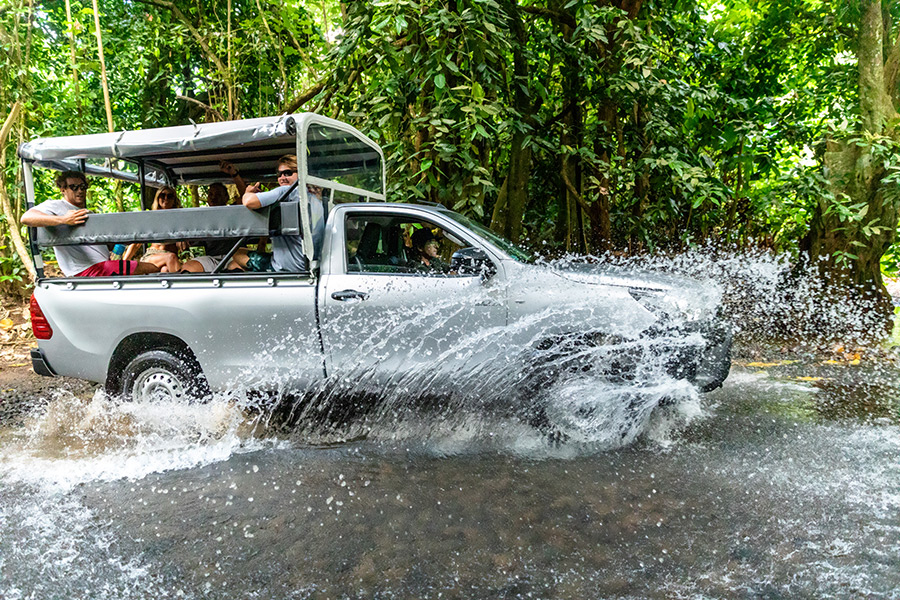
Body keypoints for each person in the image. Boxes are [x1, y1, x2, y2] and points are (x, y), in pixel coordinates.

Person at [20, 171, 161, 277]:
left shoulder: (88, 212)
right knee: (154, 268)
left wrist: (126, 239)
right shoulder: (57, 206)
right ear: (63, 189)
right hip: (87, 269)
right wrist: (63, 220)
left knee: (160, 265)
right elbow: (27, 218)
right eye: (73, 187)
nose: (80, 190)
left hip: (103, 265)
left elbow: (105, 244)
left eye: (82, 186)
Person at [230, 154, 324, 272]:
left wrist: (248, 193)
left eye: (288, 173)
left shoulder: (288, 190)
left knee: (237, 253)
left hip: (288, 267)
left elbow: (249, 202)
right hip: (310, 265)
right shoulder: (314, 197)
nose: (282, 178)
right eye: (279, 174)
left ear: (300, 173)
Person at [181, 161, 249, 273]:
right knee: (189, 268)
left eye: (218, 195)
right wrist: (184, 239)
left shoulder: (234, 210)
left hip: (234, 256)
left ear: (226, 197)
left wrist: (234, 174)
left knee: (237, 269)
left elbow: (245, 196)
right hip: (212, 258)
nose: (213, 198)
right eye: (211, 195)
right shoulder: (202, 217)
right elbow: (194, 240)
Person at [122, 186, 183, 273]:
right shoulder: (151, 218)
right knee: (170, 257)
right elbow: (136, 243)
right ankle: (183, 285)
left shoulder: (180, 219)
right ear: (158, 198)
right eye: (162, 195)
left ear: (174, 200)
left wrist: (182, 238)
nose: (166, 198)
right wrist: (123, 263)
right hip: (153, 256)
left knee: (165, 270)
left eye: (169, 196)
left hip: (170, 260)